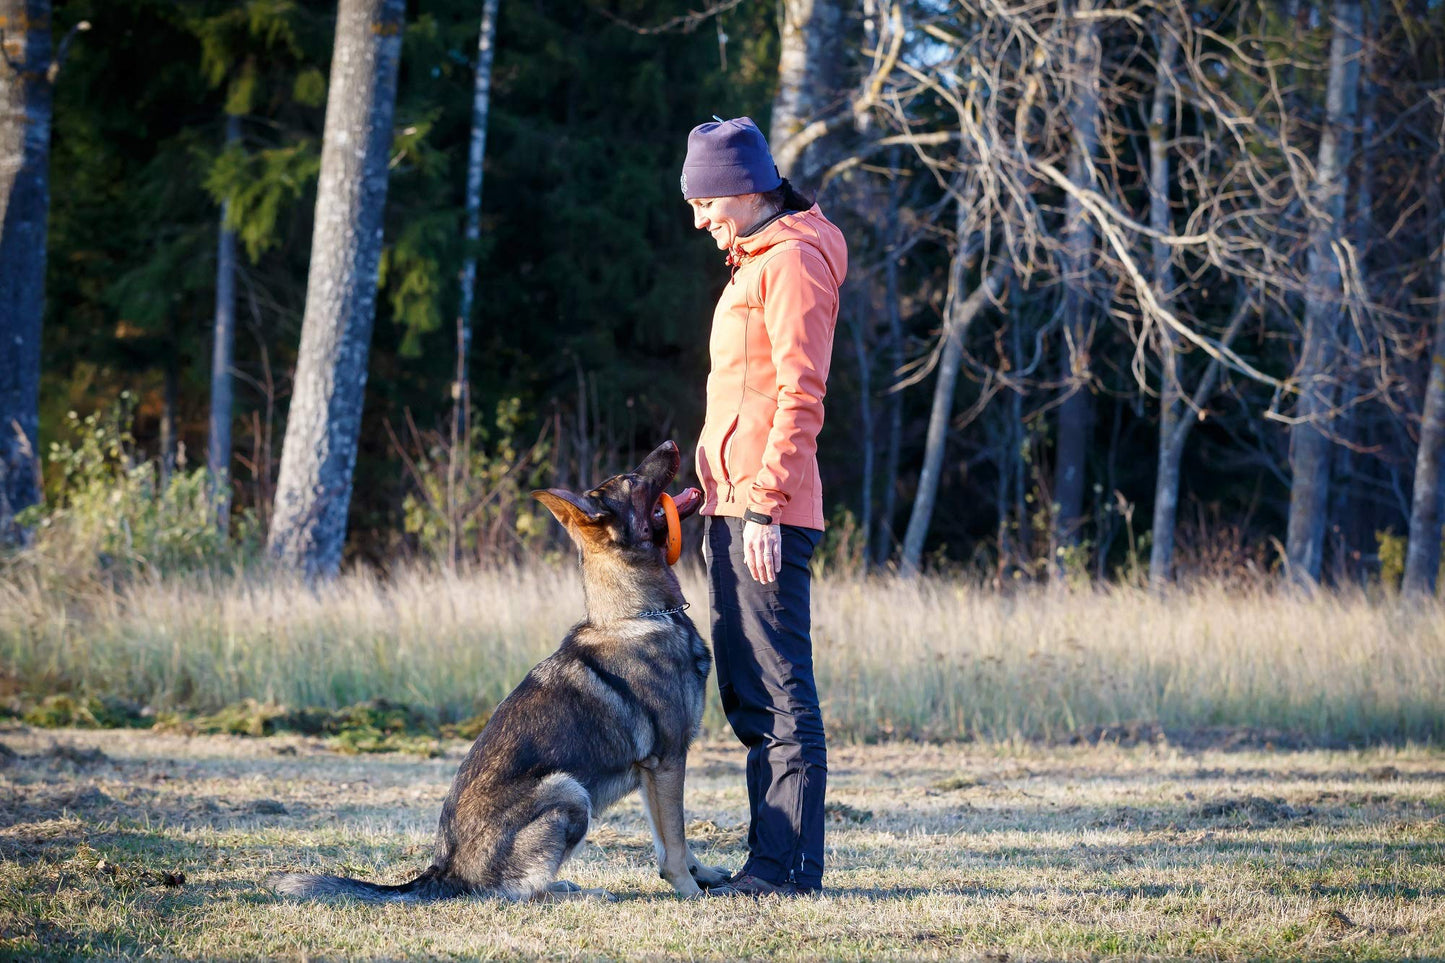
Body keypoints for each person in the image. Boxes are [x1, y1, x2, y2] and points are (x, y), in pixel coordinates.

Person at [680, 116, 848, 897]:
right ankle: (767, 861)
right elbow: (743, 402)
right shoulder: (756, 258)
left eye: (704, 202)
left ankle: (787, 872)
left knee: (779, 691)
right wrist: (704, 494)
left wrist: (763, 507)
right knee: (749, 692)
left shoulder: (792, 262)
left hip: (765, 513)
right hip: (735, 505)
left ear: (743, 190)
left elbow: (798, 393)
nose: (698, 218)